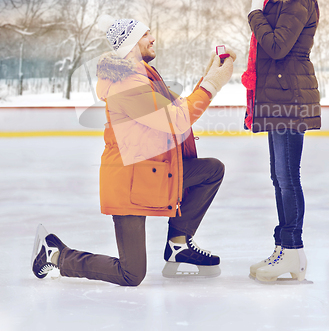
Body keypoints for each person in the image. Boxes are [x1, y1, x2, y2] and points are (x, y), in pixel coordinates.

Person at [31, 15, 236, 286]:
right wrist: (213, 85)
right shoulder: (126, 84)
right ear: (130, 44)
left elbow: (177, 109)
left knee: (211, 170)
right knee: (132, 274)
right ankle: (56, 254)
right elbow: (175, 120)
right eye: (146, 34)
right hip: (129, 181)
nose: (153, 38)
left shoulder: (144, 76)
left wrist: (209, 76)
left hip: (152, 173)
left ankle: (178, 244)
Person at [242, 0, 321, 282]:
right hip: (280, 95)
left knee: (288, 177)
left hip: (290, 97)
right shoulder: (280, 0)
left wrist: (255, 16)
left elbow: (277, 46)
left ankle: (292, 250)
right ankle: (286, 249)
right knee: (280, 177)